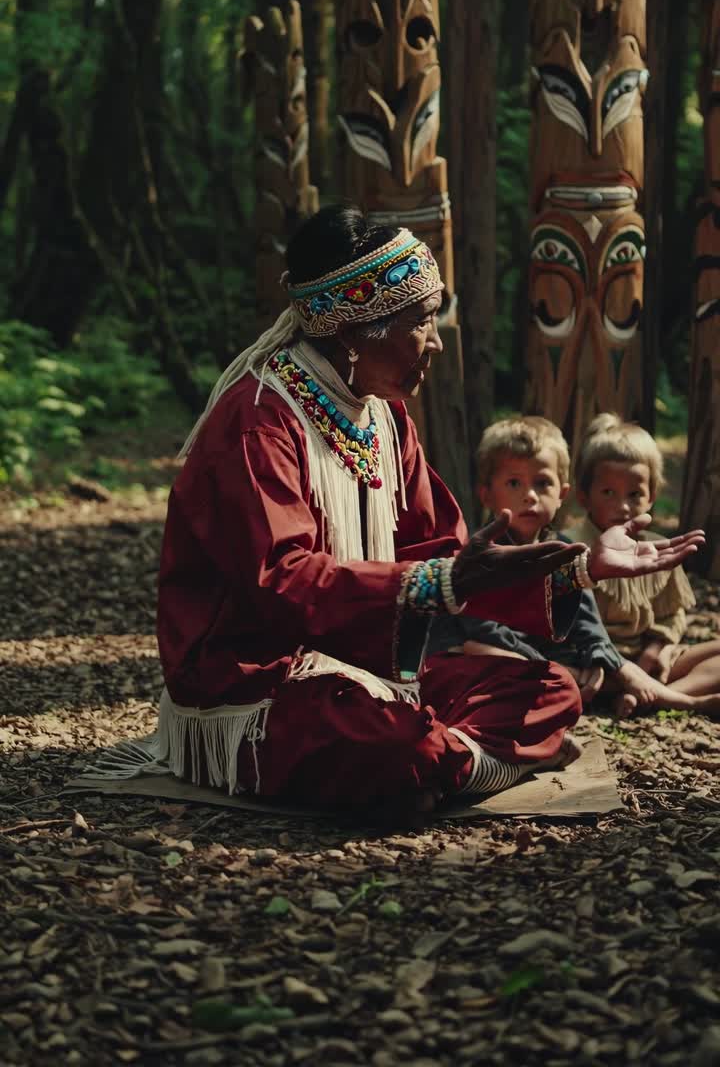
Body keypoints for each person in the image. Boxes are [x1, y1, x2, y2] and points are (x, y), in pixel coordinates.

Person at [89, 206, 704, 813]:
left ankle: (443, 764)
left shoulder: (382, 416)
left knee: (550, 687)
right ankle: (451, 760)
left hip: (368, 669)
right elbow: (279, 580)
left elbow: (444, 558)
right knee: (391, 747)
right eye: (422, 321)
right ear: (355, 330)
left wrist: (579, 569)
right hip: (256, 685)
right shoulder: (258, 422)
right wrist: (436, 582)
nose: (435, 341)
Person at [429, 416, 699, 714]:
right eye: (514, 483)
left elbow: (586, 619)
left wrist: (609, 660)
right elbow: (485, 632)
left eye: (542, 483)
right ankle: (620, 689)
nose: (530, 496)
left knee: (591, 667)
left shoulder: (561, 550)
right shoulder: (481, 552)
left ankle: (620, 684)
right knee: (488, 654)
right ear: (487, 495)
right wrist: (550, 667)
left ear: (562, 494)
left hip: (548, 658)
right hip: (496, 657)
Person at [575, 413, 720, 716]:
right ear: (584, 496)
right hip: (597, 665)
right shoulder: (573, 548)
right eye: (608, 493)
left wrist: (657, 649)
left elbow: (672, 614)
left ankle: (649, 697)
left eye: (634, 494)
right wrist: (620, 666)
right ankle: (653, 696)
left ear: (652, 496)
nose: (623, 506)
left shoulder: (657, 549)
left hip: (647, 658)